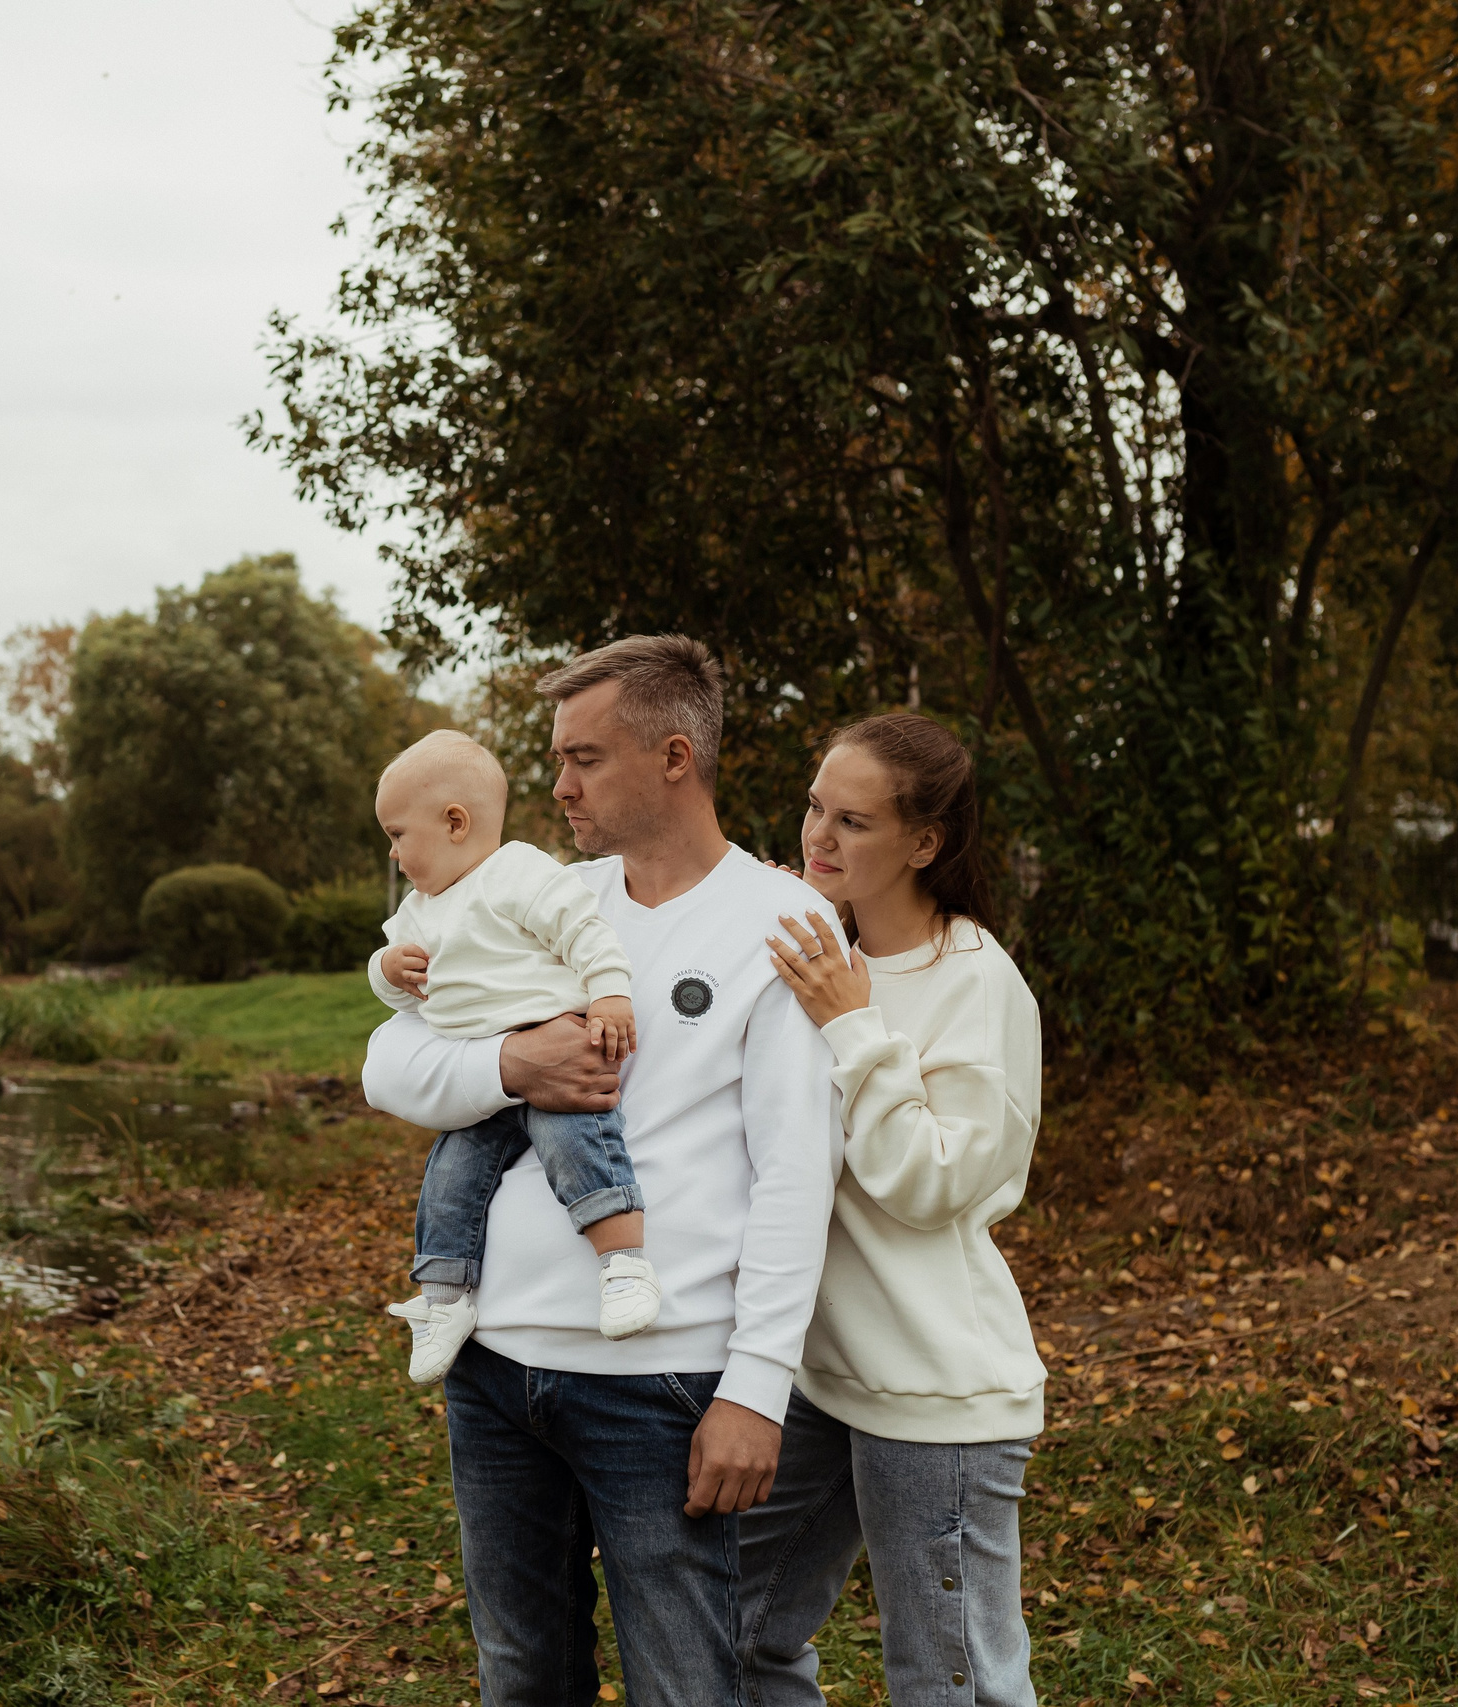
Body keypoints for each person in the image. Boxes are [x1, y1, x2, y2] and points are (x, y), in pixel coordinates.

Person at [358, 635, 847, 1707]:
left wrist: (757, 1388)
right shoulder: (533, 896)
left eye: (583, 758)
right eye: (554, 757)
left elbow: (795, 1175)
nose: (556, 785)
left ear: (675, 757)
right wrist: (507, 1063)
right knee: (524, 1674)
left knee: (686, 1685)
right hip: (494, 1372)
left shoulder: (783, 926)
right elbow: (389, 1060)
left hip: (659, 1385)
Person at [740, 711, 1045, 1707]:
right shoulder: (804, 949)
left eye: (853, 823)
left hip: (934, 1393)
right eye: (813, 808)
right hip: (817, 1377)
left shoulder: (974, 982)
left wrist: (853, 1025)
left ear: (925, 843)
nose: (817, 839)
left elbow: (927, 1186)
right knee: (737, 1631)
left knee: (948, 1686)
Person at [369, 729, 664, 1384]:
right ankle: (445, 1298)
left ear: (454, 822)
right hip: (486, 1069)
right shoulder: (419, 910)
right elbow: (391, 998)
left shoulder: (520, 874)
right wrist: (389, 967)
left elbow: (586, 932)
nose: (393, 854)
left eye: (397, 834)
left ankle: (623, 1264)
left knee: (577, 1145)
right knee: (450, 1176)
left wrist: (611, 995)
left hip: (555, 1035)